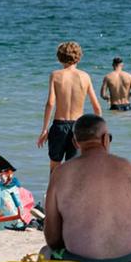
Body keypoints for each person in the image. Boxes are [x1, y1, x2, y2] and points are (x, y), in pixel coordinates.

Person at [41, 115, 131, 262]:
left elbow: (52, 238)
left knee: (45, 252)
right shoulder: (129, 168)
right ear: (105, 139)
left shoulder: (61, 172)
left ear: (75, 143)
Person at [38, 41, 103, 173]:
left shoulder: (55, 75)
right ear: (78, 57)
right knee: (74, 169)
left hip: (59, 126)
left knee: (55, 167)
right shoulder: (85, 76)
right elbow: (97, 108)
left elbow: (50, 103)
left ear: (59, 57)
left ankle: (53, 193)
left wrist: (44, 130)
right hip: (78, 127)